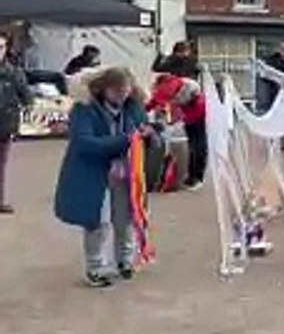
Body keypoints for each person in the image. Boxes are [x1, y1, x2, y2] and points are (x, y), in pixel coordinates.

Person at [53, 67, 151, 287]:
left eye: (125, 91)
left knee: (126, 218)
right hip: (94, 174)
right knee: (98, 222)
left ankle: (125, 261)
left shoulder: (134, 108)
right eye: (116, 91)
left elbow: (146, 132)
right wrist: (125, 140)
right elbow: (84, 143)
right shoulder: (83, 110)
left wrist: (152, 134)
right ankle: (95, 268)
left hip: (126, 173)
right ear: (103, 89)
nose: (121, 96)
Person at [146, 72, 208, 190]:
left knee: (197, 145)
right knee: (195, 145)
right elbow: (156, 103)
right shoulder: (173, 85)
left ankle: (196, 176)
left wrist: (177, 118)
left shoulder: (167, 89)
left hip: (196, 115)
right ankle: (194, 176)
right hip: (194, 114)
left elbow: (158, 103)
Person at [0, 32, 32, 214]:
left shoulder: (14, 73)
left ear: (6, 49)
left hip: (4, 125)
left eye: (0, 47)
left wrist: (26, 107)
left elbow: (27, 97)